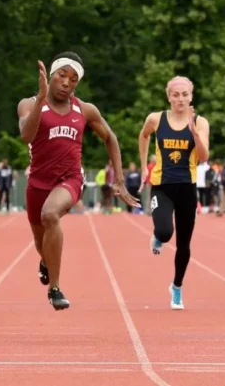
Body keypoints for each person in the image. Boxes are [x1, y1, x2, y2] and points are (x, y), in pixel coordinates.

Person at [17, 52, 140, 311]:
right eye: (62, 76)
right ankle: (45, 261)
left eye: (73, 80)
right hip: (38, 183)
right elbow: (27, 136)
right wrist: (40, 99)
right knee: (41, 245)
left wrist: (119, 180)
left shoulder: (84, 110)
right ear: (51, 75)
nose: (66, 83)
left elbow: (111, 138)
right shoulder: (28, 104)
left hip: (70, 179)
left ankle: (55, 288)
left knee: (50, 215)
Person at [138, 76, 210, 310]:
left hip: (187, 188)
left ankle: (176, 287)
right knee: (165, 231)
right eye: (176, 94)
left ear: (191, 96)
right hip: (162, 185)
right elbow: (143, 136)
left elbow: (204, 158)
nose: (180, 99)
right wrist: (142, 168)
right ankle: (158, 236)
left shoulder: (200, 122)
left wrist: (195, 134)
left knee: (184, 245)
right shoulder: (156, 119)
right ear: (169, 96)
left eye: (185, 94)